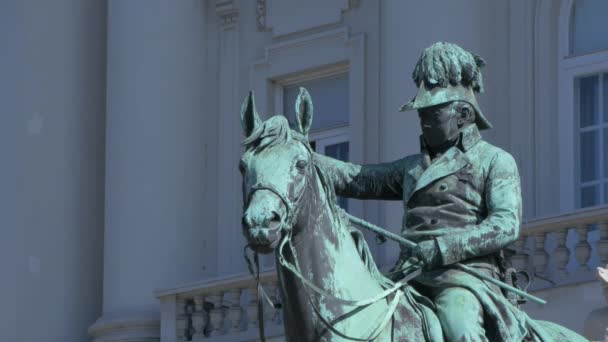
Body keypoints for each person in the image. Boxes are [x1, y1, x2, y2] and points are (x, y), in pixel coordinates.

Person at [314, 42, 530, 341]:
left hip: (462, 278)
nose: (424, 120)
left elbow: (505, 225)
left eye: (434, 113)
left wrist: (443, 248)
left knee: (460, 328)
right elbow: (357, 179)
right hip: (409, 276)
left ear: (463, 115)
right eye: (422, 114)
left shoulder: (494, 160)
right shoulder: (411, 168)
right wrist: (302, 156)